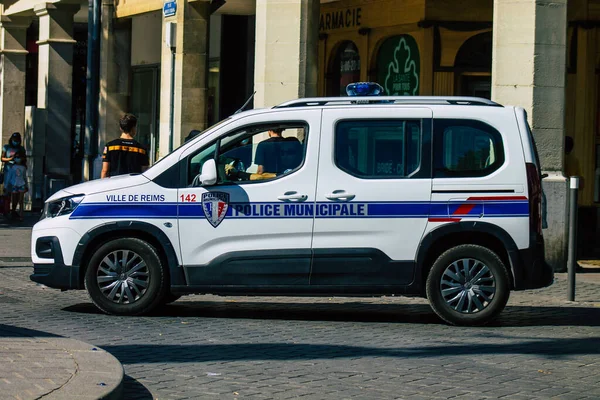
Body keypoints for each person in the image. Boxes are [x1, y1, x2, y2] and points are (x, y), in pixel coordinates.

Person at [101, 113, 149, 178]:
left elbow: (105, 171)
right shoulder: (141, 149)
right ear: (134, 128)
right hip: (133, 185)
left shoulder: (110, 146)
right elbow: (145, 173)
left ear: (120, 128)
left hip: (114, 185)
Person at [1, 132, 28, 221]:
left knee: (15, 194)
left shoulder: (21, 148)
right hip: (8, 171)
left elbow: (24, 157)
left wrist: (20, 161)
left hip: (18, 173)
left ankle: (13, 210)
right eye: (14, 140)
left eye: (17, 140)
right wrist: (11, 159)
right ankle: (6, 210)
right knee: (7, 191)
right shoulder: (6, 147)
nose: (15, 142)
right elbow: (2, 158)